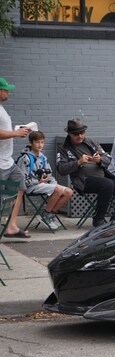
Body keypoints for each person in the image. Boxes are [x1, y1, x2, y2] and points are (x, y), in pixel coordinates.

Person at [57, 119, 115, 227]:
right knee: (107, 184)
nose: (80, 136)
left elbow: (108, 158)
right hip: (83, 181)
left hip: (104, 178)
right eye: (76, 134)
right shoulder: (64, 149)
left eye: (82, 133)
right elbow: (61, 169)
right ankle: (99, 219)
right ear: (69, 134)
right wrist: (78, 162)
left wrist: (99, 160)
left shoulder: (92, 142)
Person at [17, 131, 73, 230]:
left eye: (42, 142)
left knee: (69, 192)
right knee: (57, 190)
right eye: (37, 142)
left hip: (43, 184)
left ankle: (49, 214)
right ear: (31, 143)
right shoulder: (25, 158)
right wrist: (38, 182)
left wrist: (53, 182)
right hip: (31, 187)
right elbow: (22, 180)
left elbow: (49, 174)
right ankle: (46, 214)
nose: (40, 145)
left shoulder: (43, 157)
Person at [0, 76, 31, 238]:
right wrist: (16, 133)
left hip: (8, 162)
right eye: (5, 90)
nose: (7, 92)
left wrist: (17, 131)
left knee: (19, 187)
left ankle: (11, 225)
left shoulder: (2, 109)